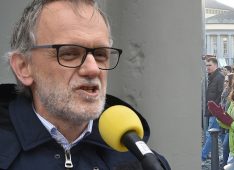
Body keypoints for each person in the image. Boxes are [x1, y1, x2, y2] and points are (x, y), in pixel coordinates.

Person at [0, 0, 170, 169]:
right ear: (24, 67)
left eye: (101, 54)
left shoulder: (143, 163)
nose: (93, 69)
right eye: (70, 53)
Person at [202, 57, 225, 163]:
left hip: (215, 111)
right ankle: (226, 154)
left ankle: (203, 155)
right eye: (206, 65)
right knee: (219, 135)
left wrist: (215, 108)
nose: (207, 67)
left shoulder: (219, 77)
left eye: (209, 65)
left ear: (216, 65)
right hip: (210, 110)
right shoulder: (211, 77)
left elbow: (221, 95)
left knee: (211, 133)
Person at [220, 73, 234, 166]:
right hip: (223, 121)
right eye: (224, 81)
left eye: (227, 81)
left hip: (231, 126)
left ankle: (226, 164)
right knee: (225, 144)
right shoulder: (225, 90)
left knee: (226, 146)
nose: (225, 83)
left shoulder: (232, 93)